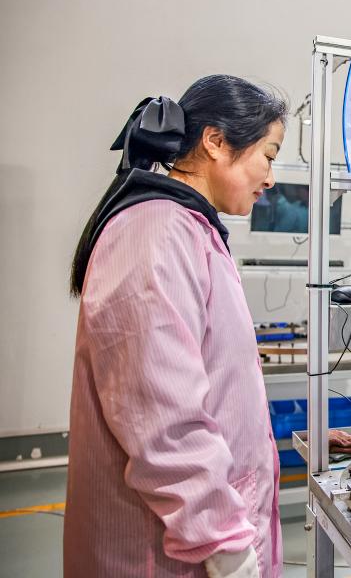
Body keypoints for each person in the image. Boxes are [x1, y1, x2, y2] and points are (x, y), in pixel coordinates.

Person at [65, 75, 289, 578]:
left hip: (203, 533)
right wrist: (224, 543)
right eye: (268, 155)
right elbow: (160, 418)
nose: (271, 178)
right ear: (216, 142)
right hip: (171, 551)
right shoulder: (156, 232)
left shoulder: (188, 229)